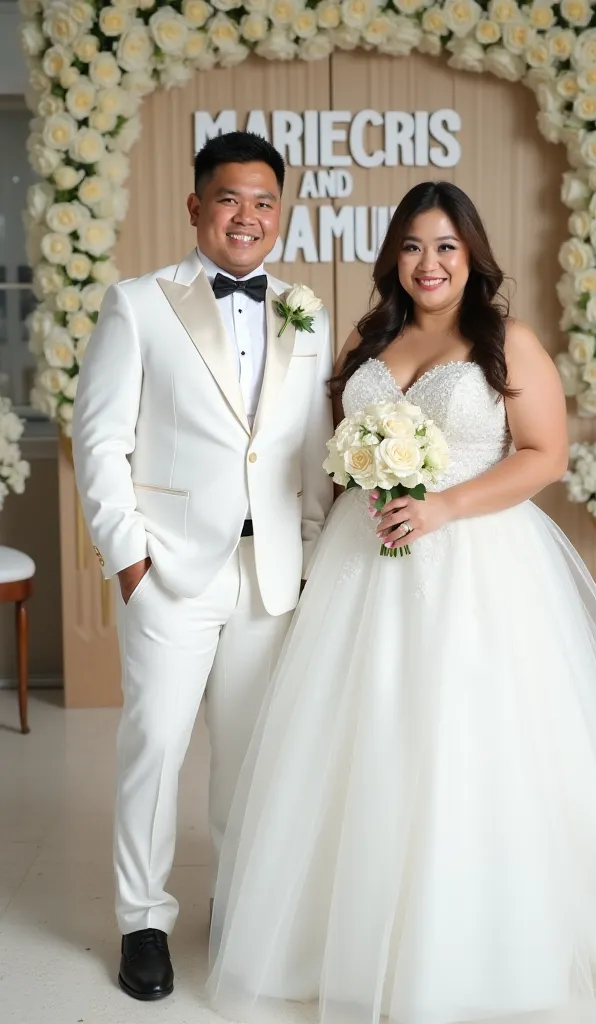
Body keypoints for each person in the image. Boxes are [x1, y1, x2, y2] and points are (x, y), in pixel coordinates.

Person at [208, 181, 596, 1024]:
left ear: (472, 258)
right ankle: (334, 936)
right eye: (412, 247)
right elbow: (328, 447)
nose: (428, 264)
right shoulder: (367, 338)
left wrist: (443, 507)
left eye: (445, 248)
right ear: (394, 257)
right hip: (365, 563)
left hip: (474, 561)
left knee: (464, 743)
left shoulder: (507, 342)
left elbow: (544, 455)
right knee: (357, 737)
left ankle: (464, 947)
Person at [72, 131, 333, 1001]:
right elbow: (100, 438)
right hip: (171, 571)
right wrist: (128, 560)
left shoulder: (308, 309)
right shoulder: (139, 303)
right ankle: (142, 920)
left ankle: (238, 897)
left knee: (252, 754)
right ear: (196, 206)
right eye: (229, 198)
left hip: (273, 572)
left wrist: (311, 550)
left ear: (280, 210)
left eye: (264, 200)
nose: (247, 216)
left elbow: (312, 446)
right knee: (156, 746)